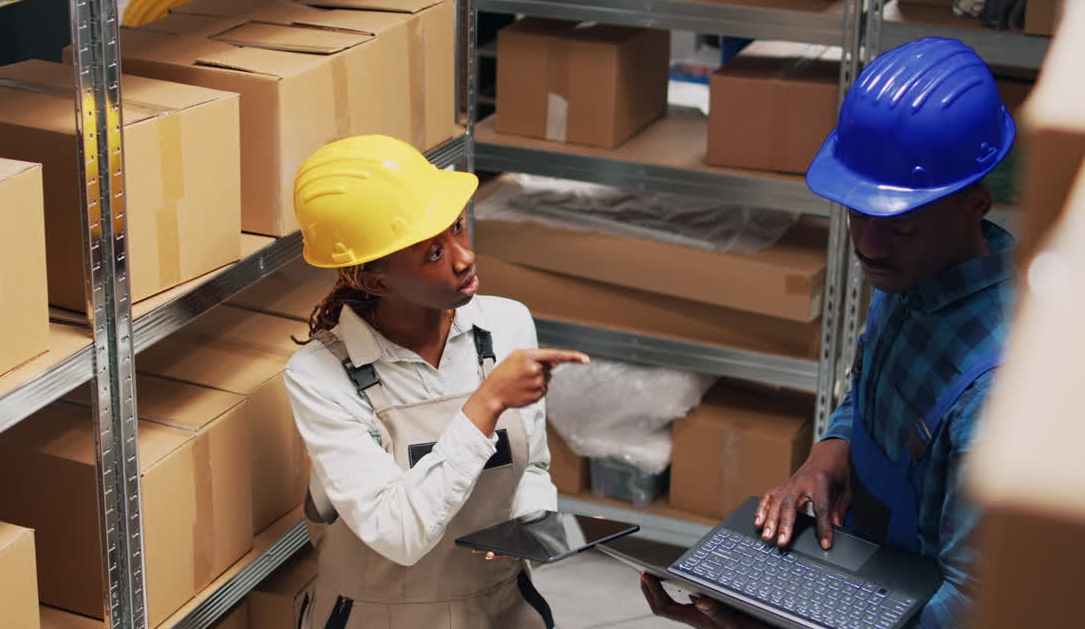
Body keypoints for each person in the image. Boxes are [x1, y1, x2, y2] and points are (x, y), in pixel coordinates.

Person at [643, 37, 1017, 629]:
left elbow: (975, 605)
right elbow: (869, 390)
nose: (868, 245)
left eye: (901, 225)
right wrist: (828, 452)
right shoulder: (910, 272)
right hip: (870, 569)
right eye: (859, 211)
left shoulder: (1000, 392)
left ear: (975, 204)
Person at [284, 134, 589, 628]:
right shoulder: (319, 376)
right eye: (432, 253)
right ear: (377, 280)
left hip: (500, 606)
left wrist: (531, 524)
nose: (464, 258)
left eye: (457, 228)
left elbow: (531, 465)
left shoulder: (507, 324)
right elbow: (397, 534)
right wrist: (485, 405)